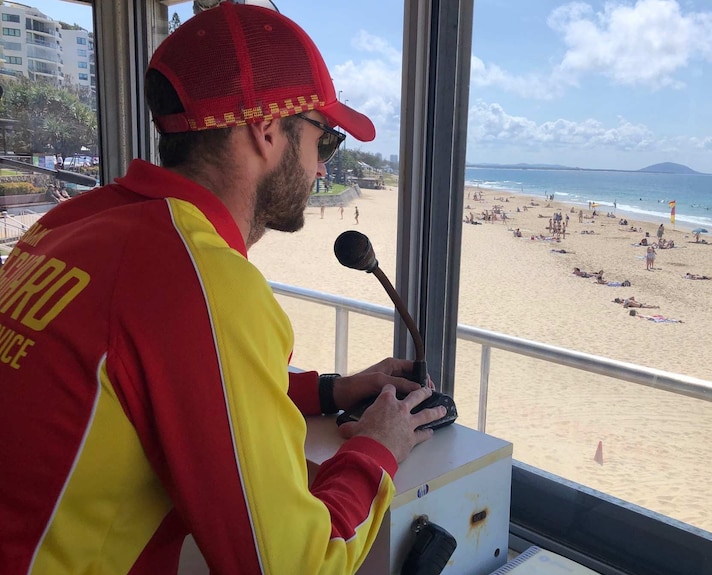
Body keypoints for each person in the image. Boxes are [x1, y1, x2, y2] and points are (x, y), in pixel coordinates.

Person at [0, 4, 446, 574]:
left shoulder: (70, 224)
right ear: (266, 131)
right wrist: (377, 448)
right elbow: (294, 564)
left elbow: (176, 378)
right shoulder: (200, 282)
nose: (319, 171)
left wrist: (336, 390)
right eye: (324, 143)